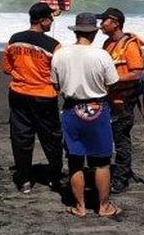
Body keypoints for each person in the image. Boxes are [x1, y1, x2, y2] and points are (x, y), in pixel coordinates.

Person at [51, 12, 122, 218]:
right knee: (101, 161)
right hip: (97, 109)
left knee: (75, 160)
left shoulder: (60, 54)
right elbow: (113, 83)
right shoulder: (101, 55)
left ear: (76, 31)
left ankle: (80, 206)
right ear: (94, 32)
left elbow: (55, 85)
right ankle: (104, 206)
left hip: (72, 109)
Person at [1, 2, 63, 193]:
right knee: (51, 138)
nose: (52, 21)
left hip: (18, 94)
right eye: (50, 18)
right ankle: (54, 177)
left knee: (21, 138)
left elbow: (6, 68)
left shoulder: (14, 39)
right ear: (42, 20)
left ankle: (24, 179)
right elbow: (59, 73)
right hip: (44, 96)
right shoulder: (54, 46)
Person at [97, 7, 144, 194]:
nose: (101, 25)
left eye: (104, 21)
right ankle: (112, 174)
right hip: (109, 98)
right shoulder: (108, 43)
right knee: (108, 138)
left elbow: (137, 73)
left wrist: (115, 80)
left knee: (121, 139)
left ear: (115, 23)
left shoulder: (130, 45)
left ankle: (121, 179)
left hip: (123, 101)